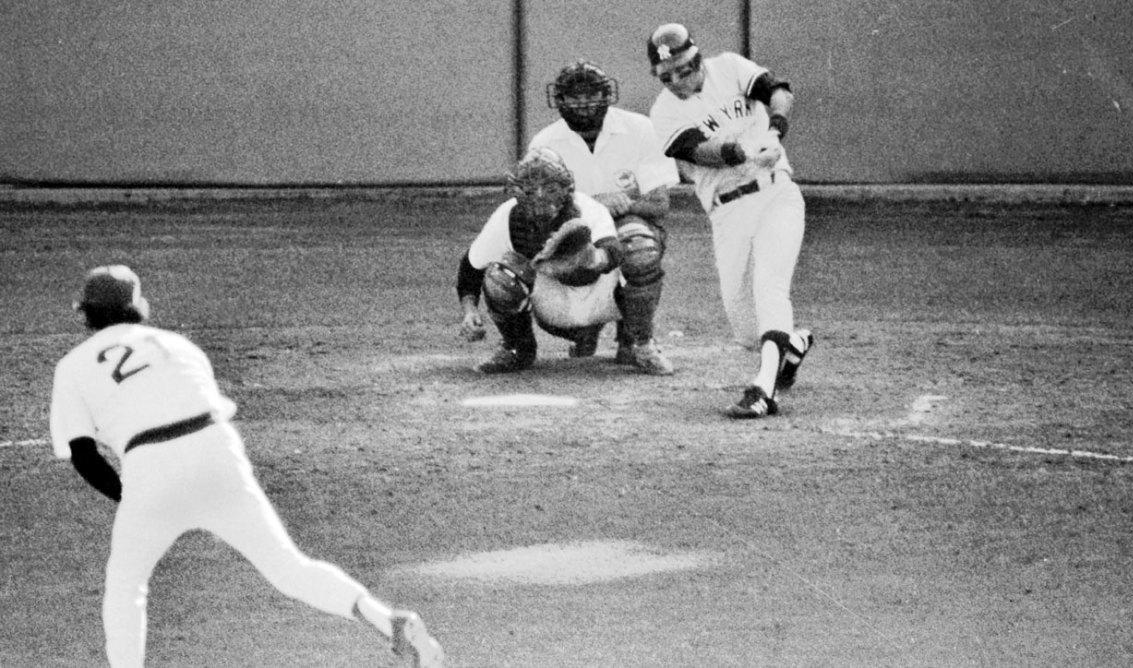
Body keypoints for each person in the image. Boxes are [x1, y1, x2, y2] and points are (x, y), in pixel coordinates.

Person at [48, 265, 444, 668]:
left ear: (86, 314)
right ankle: (387, 619)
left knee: (126, 588)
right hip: (218, 452)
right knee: (288, 567)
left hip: (151, 466)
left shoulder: (72, 365)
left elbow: (83, 454)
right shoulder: (179, 346)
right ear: (139, 308)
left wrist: (130, 498)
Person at [645, 23, 814, 419]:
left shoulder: (730, 68)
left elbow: (779, 92)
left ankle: (763, 389)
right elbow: (700, 151)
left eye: (685, 68)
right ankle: (792, 346)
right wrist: (746, 149)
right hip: (728, 211)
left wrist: (775, 131)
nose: (678, 80)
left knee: (770, 287)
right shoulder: (664, 111)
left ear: (698, 57)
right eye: (667, 76)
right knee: (746, 329)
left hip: (776, 193)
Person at [457, 146, 674, 375]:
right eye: (530, 190)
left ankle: (639, 343)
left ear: (566, 188)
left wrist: (593, 258)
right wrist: (470, 312)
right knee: (501, 276)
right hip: (552, 305)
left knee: (638, 247)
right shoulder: (507, 215)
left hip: (602, 298)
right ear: (517, 191)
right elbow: (470, 268)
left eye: (549, 188)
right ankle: (517, 349)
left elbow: (613, 251)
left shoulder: (588, 208)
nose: (540, 196)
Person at [528, 59, 679, 368]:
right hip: (575, 230)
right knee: (547, 267)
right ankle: (584, 328)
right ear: (559, 99)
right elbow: (539, 214)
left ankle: (638, 340)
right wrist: (595, 203)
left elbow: (660, 205)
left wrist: (624, 204)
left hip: (628, 223)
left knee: (638, 244)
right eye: (574, 95)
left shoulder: (640, 128)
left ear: (607, 94)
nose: (584, 103)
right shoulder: (544, 144)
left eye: (592, 94)